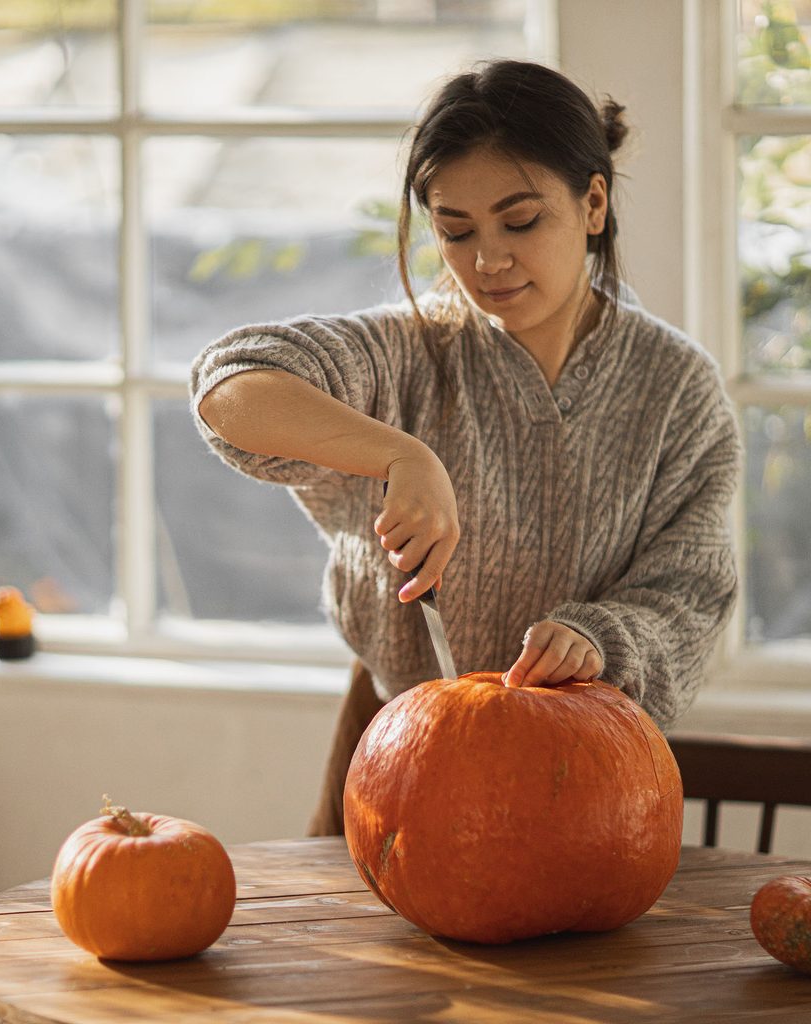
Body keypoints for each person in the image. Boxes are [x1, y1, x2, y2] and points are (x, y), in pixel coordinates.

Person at [190, 59, 741, 835]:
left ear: (593, 202)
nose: (487, 261)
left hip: (591, 770)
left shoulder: (677, 386)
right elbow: (230, 384)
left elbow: (690, 592)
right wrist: (399, 454)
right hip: (401, 749)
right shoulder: (406, 356)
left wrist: (596, 639)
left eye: (520, 222)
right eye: (456, 231)